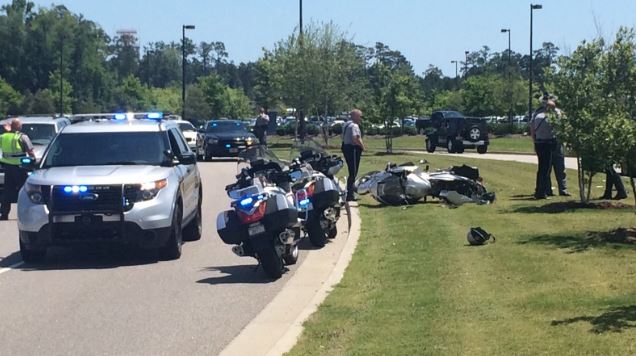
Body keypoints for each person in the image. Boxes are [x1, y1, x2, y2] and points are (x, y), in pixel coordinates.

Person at [0, 118, 35, 220]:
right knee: (24, 191)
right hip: (20, 168)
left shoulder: (3, 136)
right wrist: (34, 163)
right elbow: (31, 152)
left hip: (7, 167)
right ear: (19, 126)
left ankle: (4, 214)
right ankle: (26, 214)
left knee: (7, 191)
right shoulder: (22, 137)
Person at [530, 95, 560, 200]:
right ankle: (541, 193)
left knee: (541, 168)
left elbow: (532, 130)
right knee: (545, 169)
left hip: (538, 143)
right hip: (547, 143)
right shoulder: (550, 117)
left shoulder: (537, 115)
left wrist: (534, 142)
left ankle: (539, 190)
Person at [341, 109, 365, 201]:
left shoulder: (346, 124)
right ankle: (350, 194)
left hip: (346, 148)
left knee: (351, 171)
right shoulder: (354, 126)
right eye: (360, 116)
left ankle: (350, 191)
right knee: (353, 172)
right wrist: (362, 147)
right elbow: (355, 138)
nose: (360, 118)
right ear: (354, 116)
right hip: (353, 149)